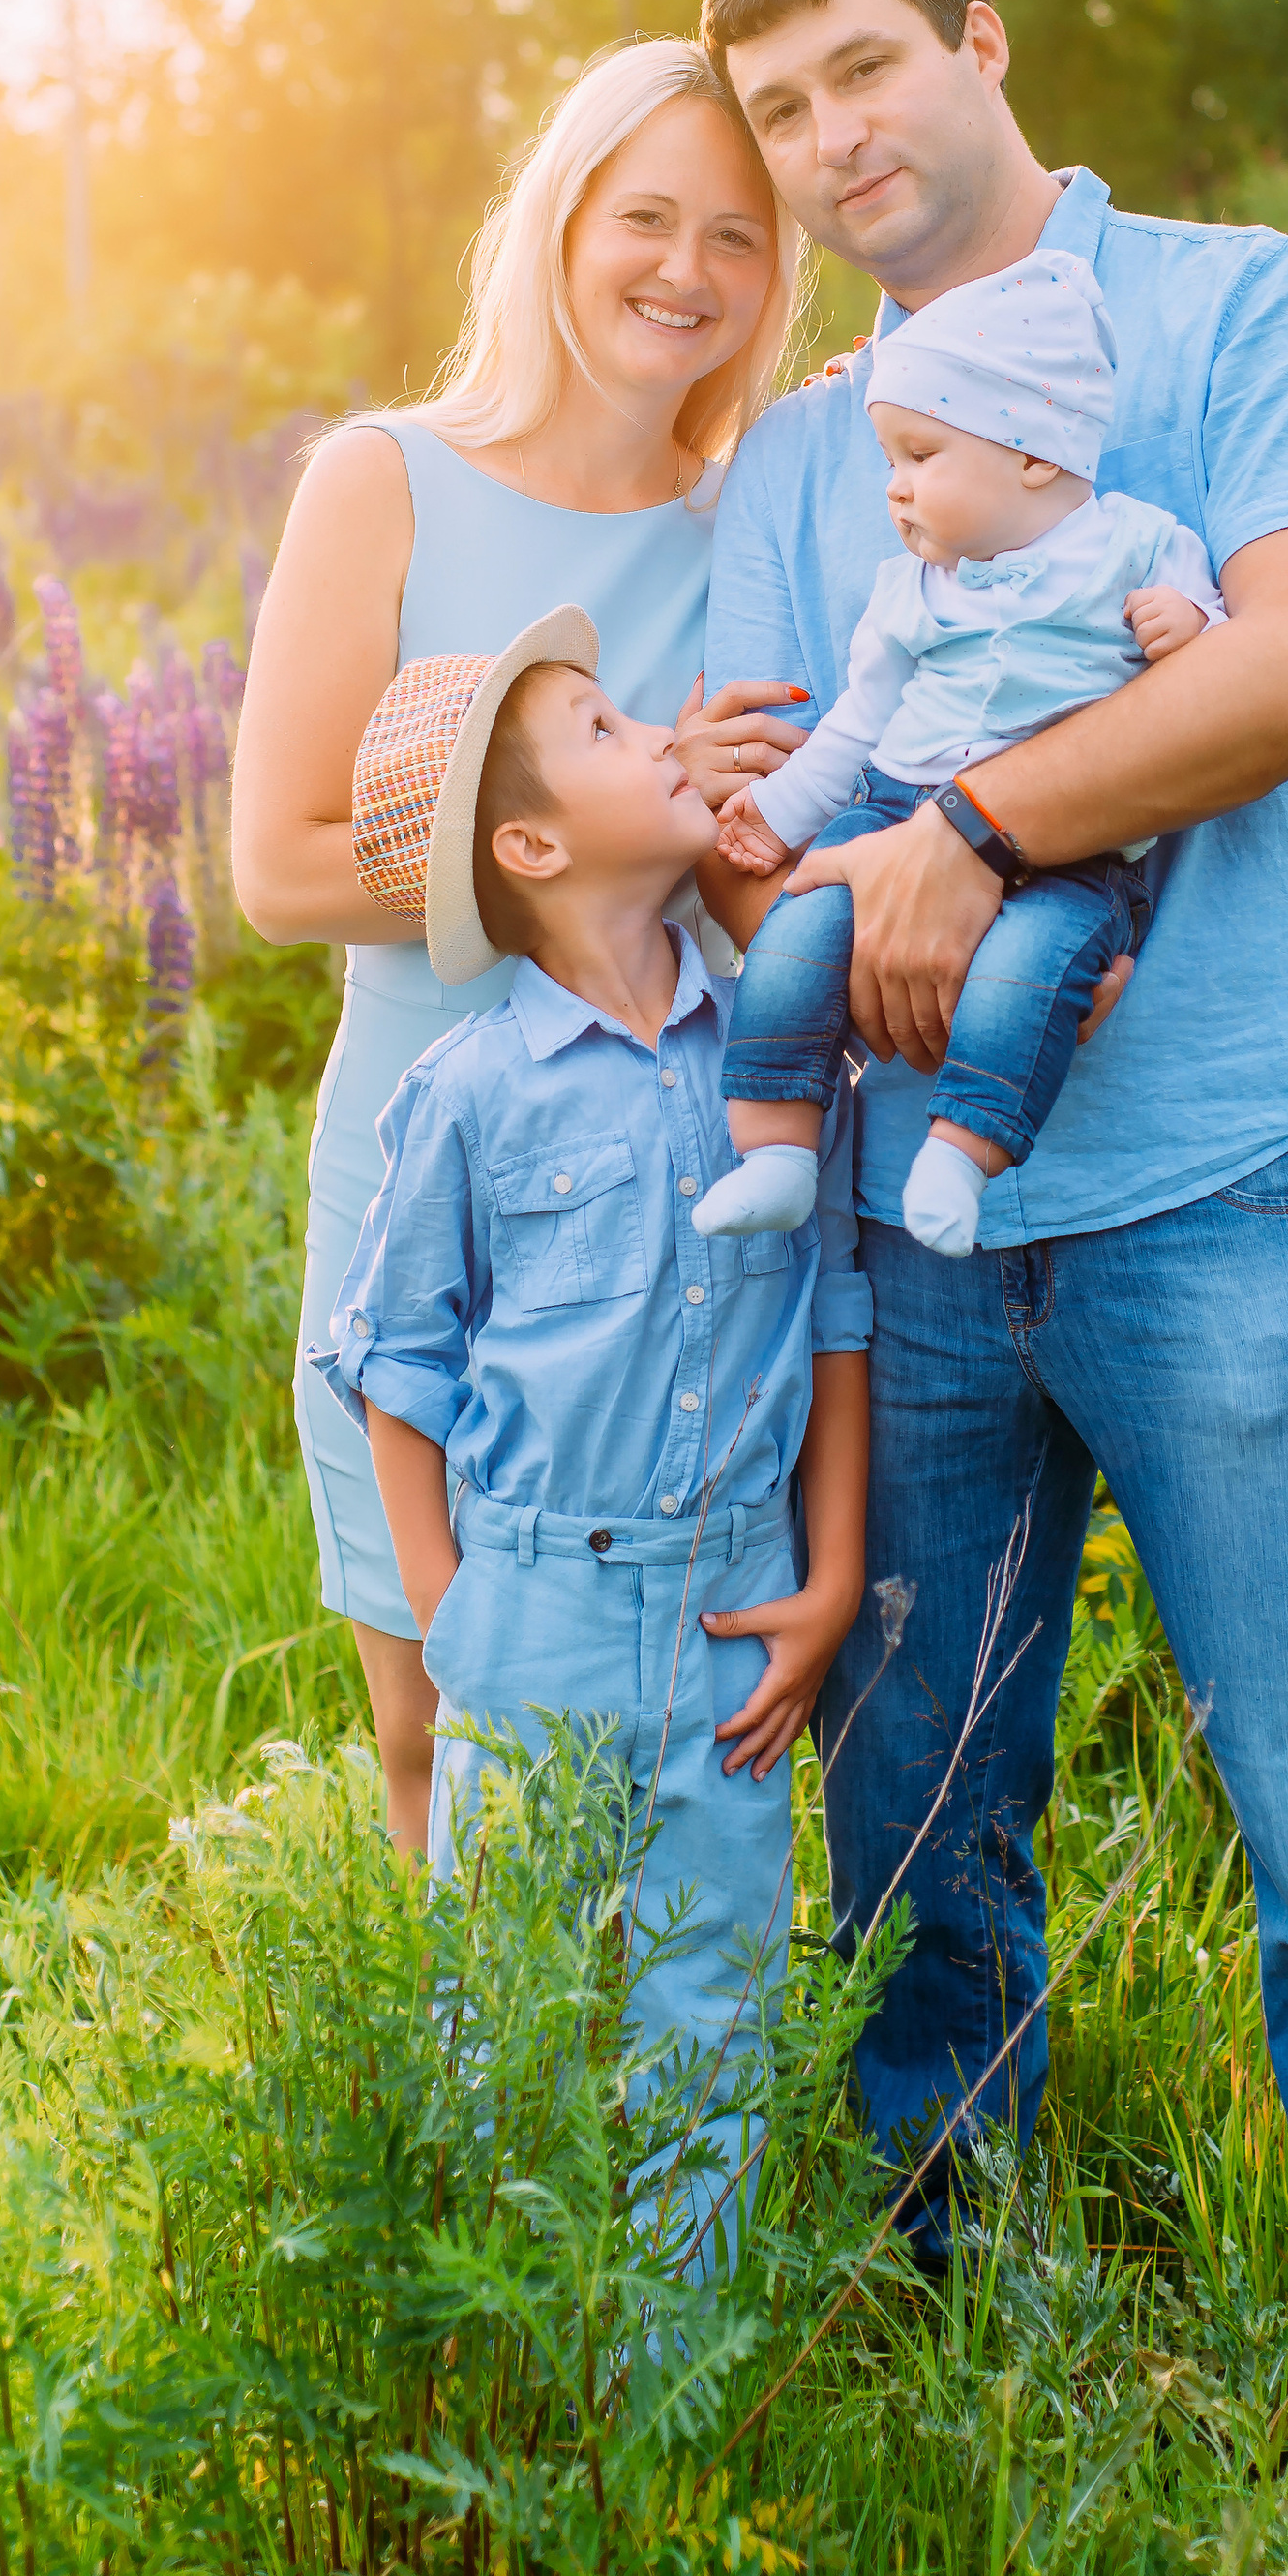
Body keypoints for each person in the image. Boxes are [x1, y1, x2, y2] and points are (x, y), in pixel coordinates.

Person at [694, 0, 1288, 2427]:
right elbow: (749, 829)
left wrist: (964, 826)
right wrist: (866, 864)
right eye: (777, 109)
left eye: (863, 67)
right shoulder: (791, 458)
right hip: (907, 1243)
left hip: (1229, 1202)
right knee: (921, 1839)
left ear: (980, 35)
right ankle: (963, 2407)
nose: (831, 134)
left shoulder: (1242, 303)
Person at [230, 41, 813, 1854]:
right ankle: (466, 2127)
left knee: (668, 1718)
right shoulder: (386, 476)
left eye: (736, 232)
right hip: (429, 1172)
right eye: (644, 215)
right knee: (430, 1716)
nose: (686, 270)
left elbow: (757, 870)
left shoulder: (752, 515)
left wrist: (725, 839)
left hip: (667, 1189)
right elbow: (280, 863)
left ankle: (663, 2113)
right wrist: (557, 850)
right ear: (560, 224)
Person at [314, 611, 872, 2273]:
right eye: (615, 727)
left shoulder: (775, 1052)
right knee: (513, 2015)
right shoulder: (473, 1085)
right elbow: (394, 1358)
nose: (666, 738)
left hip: (735, 1612)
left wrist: (831, 1577)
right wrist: (449, 1606)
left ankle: (667, 2401)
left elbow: (832, 1305)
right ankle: (518, 2393)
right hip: (537, 1606)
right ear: (532, 843)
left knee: (715, 2013)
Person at [692, 244, 1223, 1259]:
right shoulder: (910, 589)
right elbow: (853, 723)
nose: (893, 489)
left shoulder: (1136, 544)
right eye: (889, 459)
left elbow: (1219, 659)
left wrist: (1187, 621)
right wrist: (779, 814)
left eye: (920, 457)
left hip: (1073, 842)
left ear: (1031, 453)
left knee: (1032, 967)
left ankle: (963, 1149)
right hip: (893, 802)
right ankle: (774, 1146)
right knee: (802, 931)